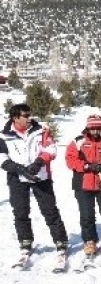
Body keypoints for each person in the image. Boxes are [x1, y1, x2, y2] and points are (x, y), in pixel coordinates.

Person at [0, 103, 67, 256]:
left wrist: (38, 163)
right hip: (17, 178)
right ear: (15, 118)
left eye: (30, 114)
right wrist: (20, 169)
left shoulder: (41, 130)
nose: (30, 118)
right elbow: (1, 158)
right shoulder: (3, 136)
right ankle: (25, 241)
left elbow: (51, 149)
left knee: (50, 210)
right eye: (26, 115)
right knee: (20, 211)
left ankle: (60, 241)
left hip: (40, 176)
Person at [64, 114, 101, 257]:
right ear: (88, 128)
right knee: (86, 215)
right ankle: (90, 240)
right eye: (93, 128)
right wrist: (87, 166)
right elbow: (70, 159)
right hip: (83, 183)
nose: (95, 131)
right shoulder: (79, 141)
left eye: (98, 128)